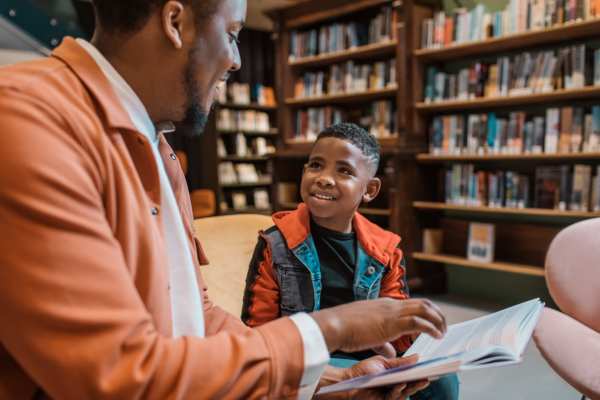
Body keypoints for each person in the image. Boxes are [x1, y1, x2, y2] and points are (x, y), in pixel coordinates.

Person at [0, 0, 447, 398]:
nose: (235, 62)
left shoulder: (157, 148)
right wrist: (332, 327)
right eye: (232, 35)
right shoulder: (28, 122)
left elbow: (195, 318)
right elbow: (117, 377)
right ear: (175, 23)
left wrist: (328, 380)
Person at [242, 123, 459, 399]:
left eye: (343, 170)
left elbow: (399, 330)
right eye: (316, 165)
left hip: (373, 358)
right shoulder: (276, 244)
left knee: (443, 380)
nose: (324, 178)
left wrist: (424, 345)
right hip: (306, 361)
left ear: (369, 189)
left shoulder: (385, 250)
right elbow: (258, 332)